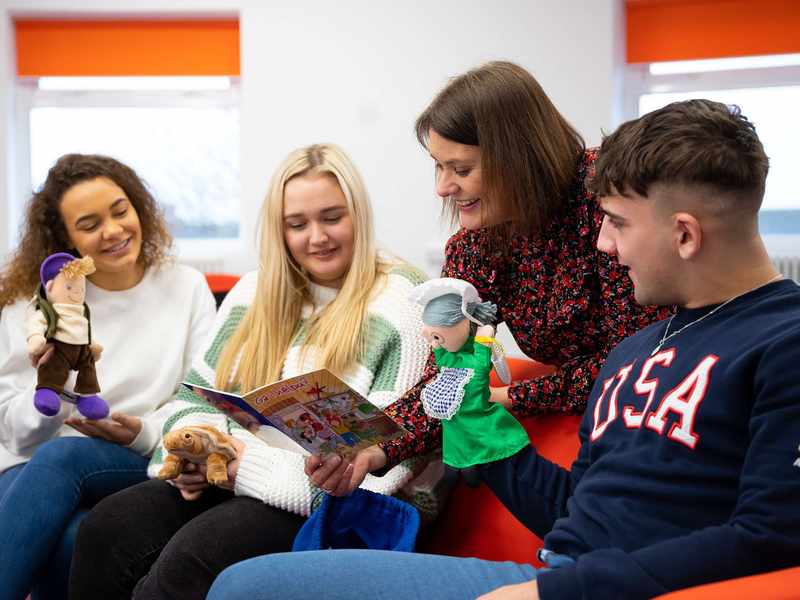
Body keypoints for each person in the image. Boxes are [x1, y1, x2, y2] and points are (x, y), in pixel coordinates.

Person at [205, 99, 800, 600]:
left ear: (685, 234)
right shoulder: (634, 353)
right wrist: (475, 423)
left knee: (246, 590)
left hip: (574, 588)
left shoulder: (783, 340)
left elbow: (772, 536)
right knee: (240, 584)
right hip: (547, 573)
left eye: (617, 222)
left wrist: (551, 591)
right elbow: (573, 511)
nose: (603, 242)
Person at [68, 143, 431, 599]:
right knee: (106, 528)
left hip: (327, 505)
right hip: (234, 477)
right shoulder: (255, 290)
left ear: (359, 213)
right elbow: (191, 400)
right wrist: (197, 452)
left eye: (332, 217)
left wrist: (241, 464)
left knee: (189, 561)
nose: (316, 237)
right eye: (297, 225)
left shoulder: (405, 302)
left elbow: (385, 472)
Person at [306, 60, 668, 501]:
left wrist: (512, 397)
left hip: (642, 421)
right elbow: (447, 377)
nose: (442, 187)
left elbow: (639, 360)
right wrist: (374, 450)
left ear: (519, 158)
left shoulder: (606, 206)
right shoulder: (474, 246)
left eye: (460, 170)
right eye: (438, 167)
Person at [0, 154, 216, 600]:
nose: (114, 231)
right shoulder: (38, 305)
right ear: (66, 239)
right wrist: (52, 385)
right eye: (90, 223)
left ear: (138, 208)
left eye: (120, 211)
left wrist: (140, 433)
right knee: (70, 538)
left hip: (137, 455)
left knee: (65, 458)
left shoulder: (187, 288)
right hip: (30, 464)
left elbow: (201, 397)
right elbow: (16, 436)